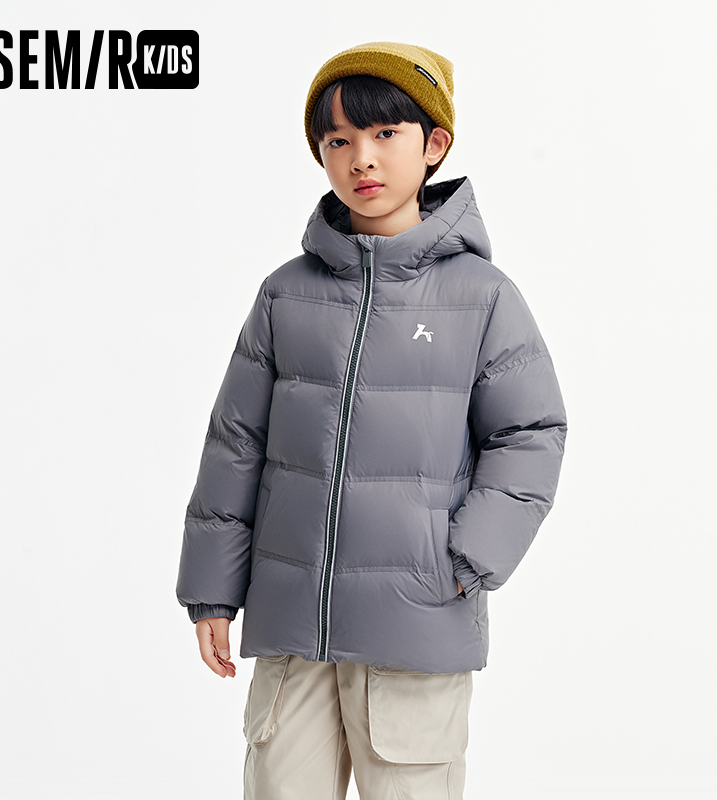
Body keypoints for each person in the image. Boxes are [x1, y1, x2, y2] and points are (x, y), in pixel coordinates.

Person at [175, 41, 567, 799]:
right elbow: (236, 444)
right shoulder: (285, 295)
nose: (362, 158)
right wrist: (212, 589)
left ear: (434, 145)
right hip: (295, 629)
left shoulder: (482, 297)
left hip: (416, 627)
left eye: (386, 133)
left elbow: (530, 433)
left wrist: (465, 559)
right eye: (339, 140)